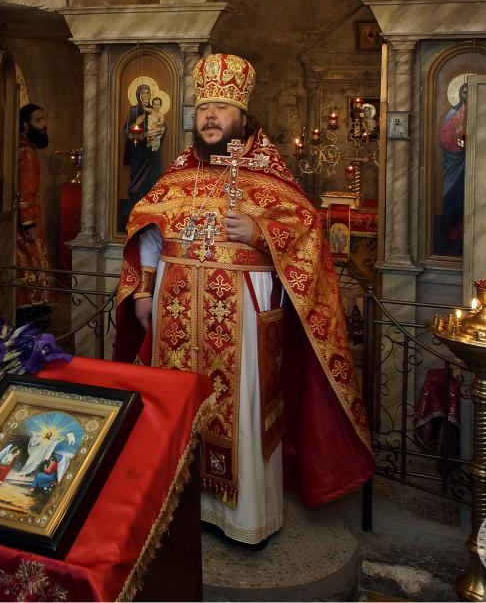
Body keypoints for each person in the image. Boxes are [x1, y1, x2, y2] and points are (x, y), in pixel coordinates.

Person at [115, 53, 375, 546]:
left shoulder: (268, 177)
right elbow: (148, 229)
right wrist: (143, 292)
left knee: (242, 411)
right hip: (174, 315)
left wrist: (259, 231)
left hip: (243, 321)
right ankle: (177, 506)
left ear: (241, 115)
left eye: (220, 108)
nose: (210, 116)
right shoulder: (178, 175)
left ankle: (242, 520)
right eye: (203, 108)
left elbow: (307, 233)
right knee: (173, 406)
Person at [16, 103, 55, 327]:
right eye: (38, 120)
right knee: (31, 261)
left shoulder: (22, 147)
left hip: (24, 217)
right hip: (26, 222)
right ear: (25, 125)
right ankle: (32, 312)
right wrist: (29, 223)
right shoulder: (27, 153)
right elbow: (26, 190)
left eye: (43, 119)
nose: (44, 125)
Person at [120, 83, 165, 229]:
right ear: (138, 95)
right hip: (138, 155)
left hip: (152, 155)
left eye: (148, 93)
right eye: (143, 93)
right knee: (137, 184)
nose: (146, 96)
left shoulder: (153, 109)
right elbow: (126, 131)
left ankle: (150, 216)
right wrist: (136, 123)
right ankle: (134, 216)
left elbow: (162, 126)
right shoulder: (134, 110)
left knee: (151, 182)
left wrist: (161, 130)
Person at [435, 81, 468, 255]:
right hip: (455, 166)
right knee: (453, 198)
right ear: (460, 94)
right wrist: (459, 141)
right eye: (465, 92)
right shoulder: (453, 114)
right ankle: (448, 236)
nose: (468, 95)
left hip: (474, 164)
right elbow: (445, 137)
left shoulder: (481, 111)